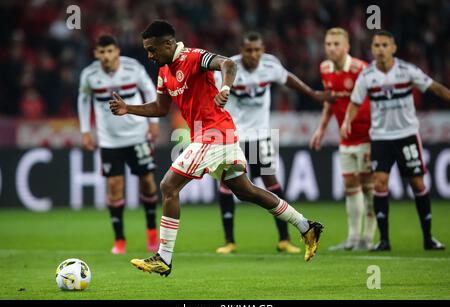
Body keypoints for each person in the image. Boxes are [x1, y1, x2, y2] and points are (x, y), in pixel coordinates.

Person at [109, 20, 324, 277]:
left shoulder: (194, 57)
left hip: (214, 133)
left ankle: (163, 258)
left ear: (169, 44)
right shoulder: (164, 72)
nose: (150, 55)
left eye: (153, 49)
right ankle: (305, 225)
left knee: (168, 186)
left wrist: (225, 88)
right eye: (147, 50)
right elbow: (160, 108)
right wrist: (128, 109)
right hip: (216, 134)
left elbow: (228, 63)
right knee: (246, 191)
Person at [214, 31, 333, 254]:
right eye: (249, 50)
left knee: (271, 182)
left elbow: (287, 79)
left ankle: (284, 239)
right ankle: (229, 241)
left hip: (261, 135)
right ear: (241, 51)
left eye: (258, 50)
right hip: (233, 136)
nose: (254, 54)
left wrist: (313, 93)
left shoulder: (270, 65)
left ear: (263, 50)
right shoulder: (229, 67)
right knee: (227, 183)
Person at [341, 30, 450, 251]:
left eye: (384, 45)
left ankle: (428, 238)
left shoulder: (406, 71)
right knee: (380, 184)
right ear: (372, 49)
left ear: (393, 48)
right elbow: (355, 102)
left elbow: (435, 87)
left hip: (407, 136)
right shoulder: (367, 76)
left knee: (417, 183)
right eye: (376, 45)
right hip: (381, 138)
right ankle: (384, 240)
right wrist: (346, 122)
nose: (380, 49)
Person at [78, 35, 160, 254]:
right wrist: (86, 130)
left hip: (137, 135)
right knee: (114, 186)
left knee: (148, 183)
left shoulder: (133, 68)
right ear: (96, 53)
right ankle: (119, 240)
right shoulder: (89, 75)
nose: (106, 56)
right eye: (102, 52)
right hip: (109, 140)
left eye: (110, 51)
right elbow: (84, 100)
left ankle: (152, 232)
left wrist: (153, 122)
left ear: (117, 52)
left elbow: (150, 90)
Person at [310, 28, 377, 251]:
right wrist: (320, 129)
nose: (332, 48)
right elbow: (330, 102)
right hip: (346, 138)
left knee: (368, 187)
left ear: (347, 46)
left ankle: (367, 238)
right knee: (350, 186)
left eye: (336, 44)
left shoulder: (361, 69)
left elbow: (374, 102)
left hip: (368, 135)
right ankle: (352, 237)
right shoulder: (325, 68)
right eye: (328, 44)